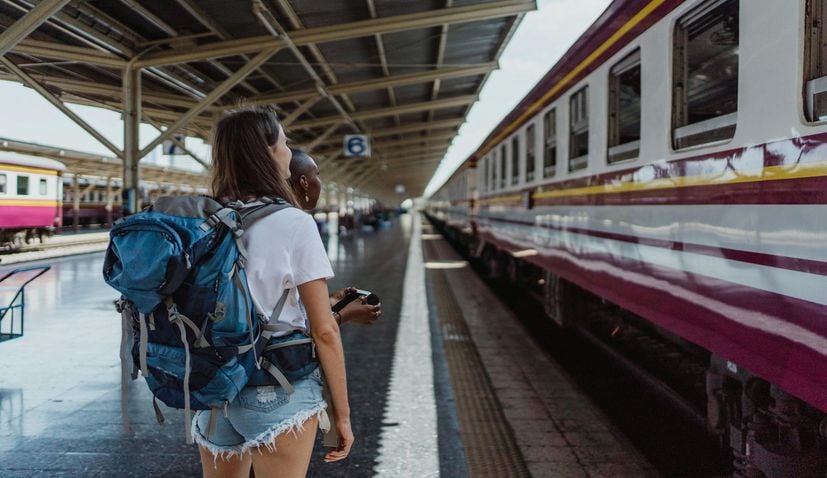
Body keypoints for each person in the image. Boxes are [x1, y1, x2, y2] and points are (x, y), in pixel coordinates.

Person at [192, 105, 353, 478]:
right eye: (284, 143)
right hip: (276, 388)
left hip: (214, 389)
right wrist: (342, 415)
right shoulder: (294, 222)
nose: (288, 152)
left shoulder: (203, 219)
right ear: (266, 153)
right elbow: (324, 331)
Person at [289, 148, 381, 326]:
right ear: (304, 182)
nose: (320, 183)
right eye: (317, 175)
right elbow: (322, 329)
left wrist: (330, 301)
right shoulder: (300, 222)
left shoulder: (248, 217)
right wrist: (347, 314)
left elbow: (277, 298)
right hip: (281, 341)